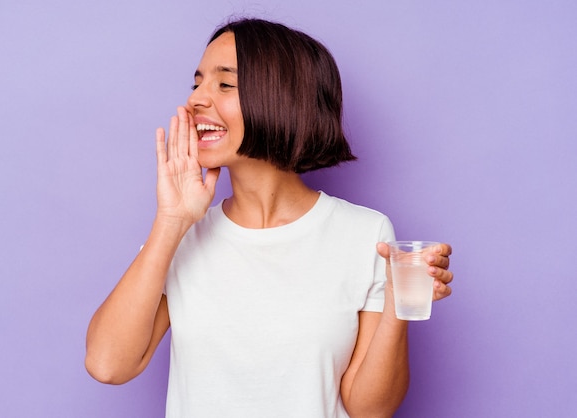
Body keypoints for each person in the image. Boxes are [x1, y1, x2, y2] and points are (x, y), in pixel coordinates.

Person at [85, 17, 453, 418]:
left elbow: (370, 409)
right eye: (197, 83)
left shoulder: (366, 233)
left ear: (282, 98)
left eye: (224, 84)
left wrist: (398, 306)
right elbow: (108, 365)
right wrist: (171, 221)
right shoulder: (181, 238)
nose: (195, 100)